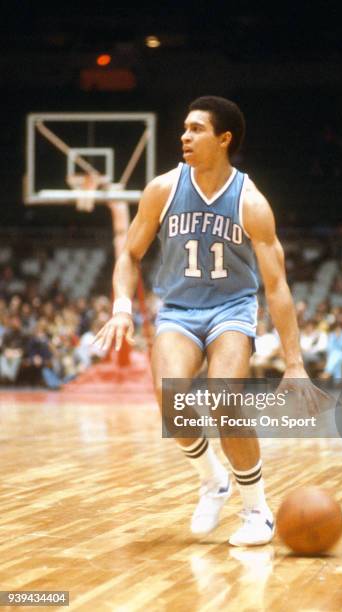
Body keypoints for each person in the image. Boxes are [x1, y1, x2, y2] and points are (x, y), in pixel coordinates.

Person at [94, 96, 326, 547]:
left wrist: (294, 363)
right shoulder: (163, 189)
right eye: (184, 128)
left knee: (224, 400)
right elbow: (131, 254)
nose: (185, 136)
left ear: (224, 139)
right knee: (170, 401)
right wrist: (122, 304)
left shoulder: (251, 202)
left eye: (197, 129)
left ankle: (257, 509)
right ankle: (212, 479)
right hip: (179, 310)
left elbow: (276, 288)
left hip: (231, 310)